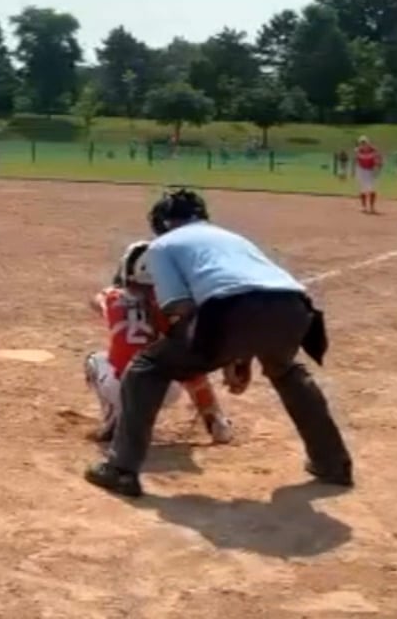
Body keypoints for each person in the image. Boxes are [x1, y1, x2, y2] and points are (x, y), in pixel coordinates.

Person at [84, 187, 351, 498]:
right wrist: (239, 355)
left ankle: (121, 469)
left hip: (233, 311)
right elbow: (253, 291)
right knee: (288, 373)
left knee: (147, 368)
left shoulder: (162, 246)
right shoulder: (234, 239)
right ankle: (333, 464)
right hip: (294, 308)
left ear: (163, 223)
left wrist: (215, 354)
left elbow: (180, 307)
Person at [86, 241, 233, 446]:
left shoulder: (112, 296)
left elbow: (96, 302)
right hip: (164, 391)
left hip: (122, 386)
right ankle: (216, 422)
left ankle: (115, 415)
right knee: (185, 362)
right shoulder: (167, 303)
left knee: (95, 360)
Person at [353, 136, 382, 213]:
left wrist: (377, 168)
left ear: (368, 143)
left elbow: (378, 160)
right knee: (363, 189)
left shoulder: (374, 150)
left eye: (364, 143)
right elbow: (356, 160)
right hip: (361, 170)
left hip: (371, 170)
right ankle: (364, 206)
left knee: (372, 188)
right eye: (361, 143)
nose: (363, 145)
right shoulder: (357, 151)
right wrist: (354, 171)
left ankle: (372, 207)